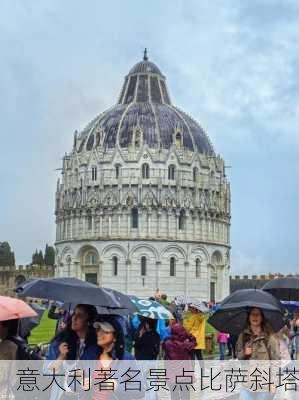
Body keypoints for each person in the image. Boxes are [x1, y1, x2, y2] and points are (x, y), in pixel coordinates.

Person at [45, 304, 98, 400]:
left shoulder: (97, 347)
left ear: (89, 321)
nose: (74, 318)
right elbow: (47, 372)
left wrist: (86, 377)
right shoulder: (61, 341)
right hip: (62, 395)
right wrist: (61, 357)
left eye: (80, 315)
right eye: (74, 314)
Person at [236, 307, 280, 400]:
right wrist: (244, 353)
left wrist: (273, 382)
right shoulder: (243, 336)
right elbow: (238, 355)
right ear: (248, 317)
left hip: (264, 386)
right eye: (252, 314)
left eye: (258, 314)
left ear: (262, 317)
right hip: (247, 385)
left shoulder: (269, 337)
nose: (255, 317)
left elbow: (276, 361)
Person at [163, 324, 196, 400]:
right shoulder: (186, 345)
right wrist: (188, 335)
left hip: (172, 376)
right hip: (185, 376)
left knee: (174, 397)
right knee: (186, 397)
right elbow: (194, 342)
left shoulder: (167, 343)